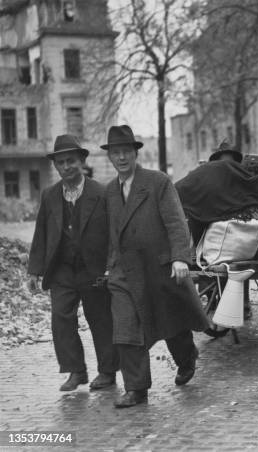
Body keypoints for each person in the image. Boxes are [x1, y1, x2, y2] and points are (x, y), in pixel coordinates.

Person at [103, 125, 208, 408]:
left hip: (159, 267)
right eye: (116, 153)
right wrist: (109, 265)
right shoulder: (109, 192)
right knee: (125, 327)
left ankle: (187, 358)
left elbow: (176, 222)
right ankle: (136, 389)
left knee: (171, 323)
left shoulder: (157, 182)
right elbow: (111, 233)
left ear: (136, 153)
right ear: (110, 157)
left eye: (126, 152)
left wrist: (180, 257)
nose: (122, 157)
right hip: (124, 272)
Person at [28, 135, 118, 391]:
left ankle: (108, 371)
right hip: (62, 269)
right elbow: (41, 233)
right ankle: (76, 371)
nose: (65, 167)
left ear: (81, 162)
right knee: (61, 317)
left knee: (100, 318)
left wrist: (112, 265)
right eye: (60, 162)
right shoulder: (50, 196)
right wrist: (34, 271)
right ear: (55, 166)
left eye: (70, 161)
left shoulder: (100, 193)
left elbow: (113, 234)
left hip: (94, 269)